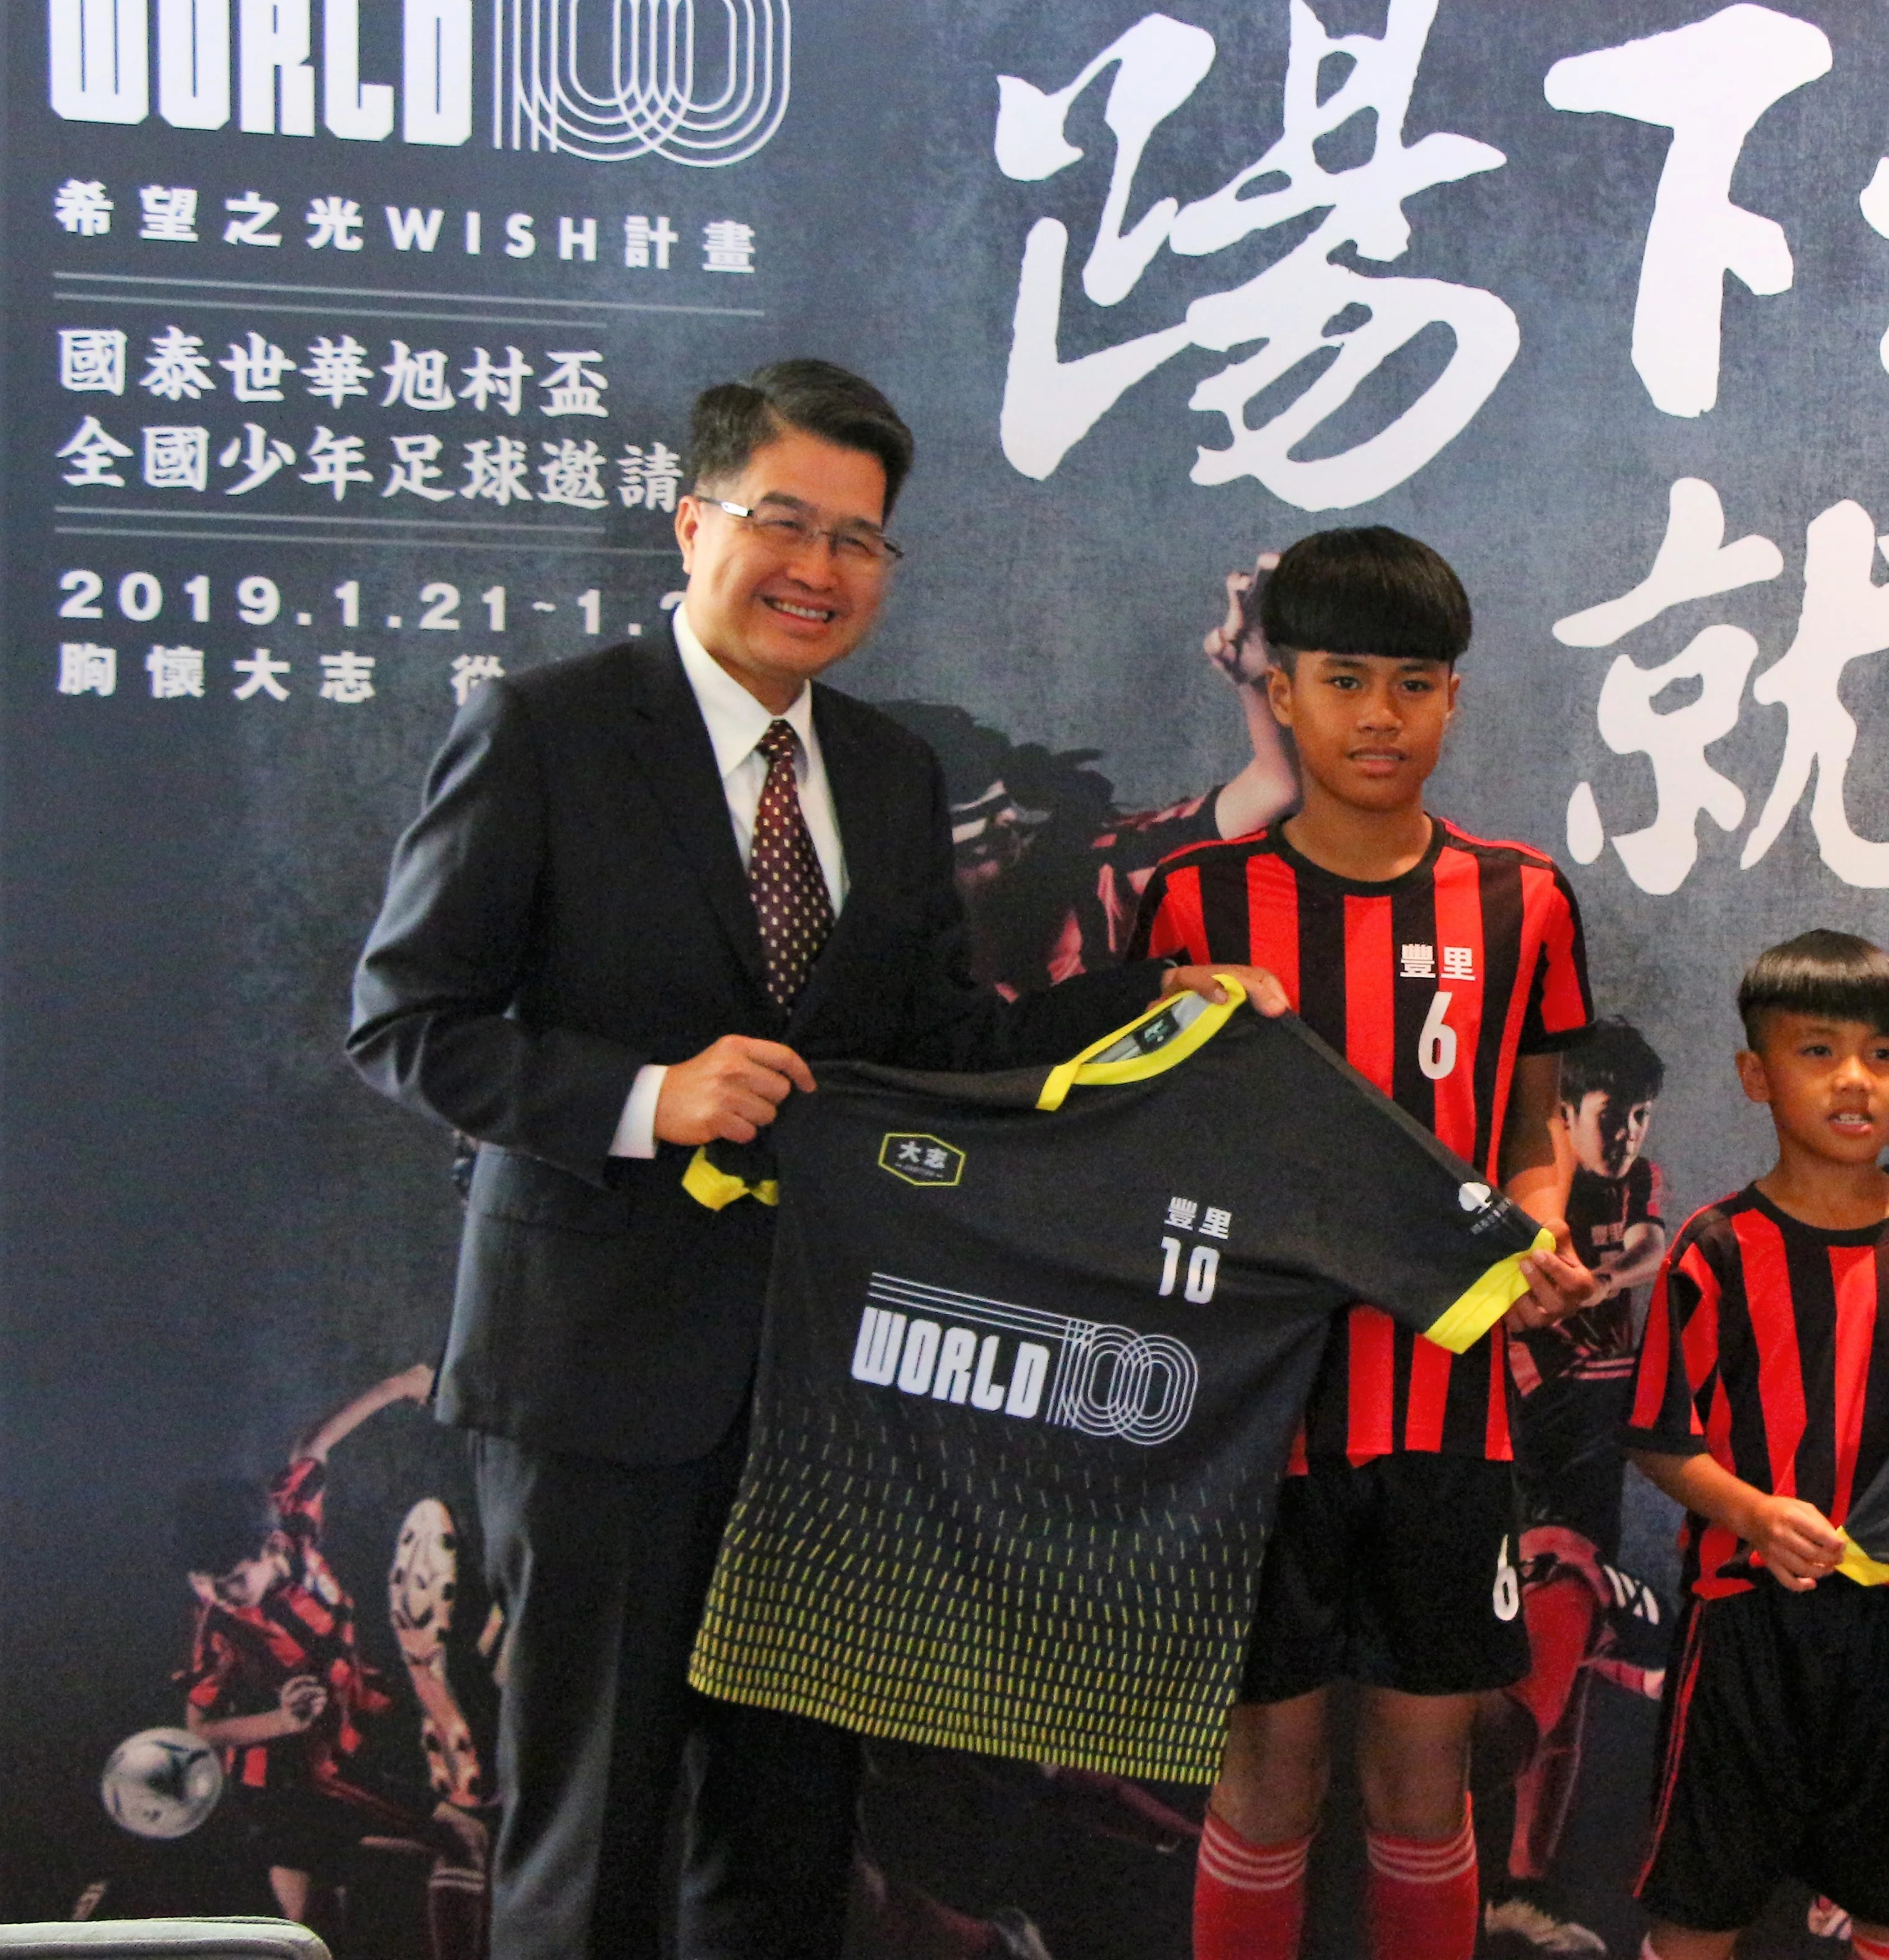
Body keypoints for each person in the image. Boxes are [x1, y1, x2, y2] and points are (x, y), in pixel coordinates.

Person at [348, 358, 1274, 1960]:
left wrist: (1150, 1006)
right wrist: (649, 1096)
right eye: (784, 522)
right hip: (598, 1379)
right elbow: (407, 1022)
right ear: (691, 522)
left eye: (858, 540)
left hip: (826, 1401)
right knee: (590, 1838)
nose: (818, 569)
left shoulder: (888, 774)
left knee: (786, 1849)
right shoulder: (546, 731)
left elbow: (941, 1041)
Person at [1131, 523, 1600, 1960]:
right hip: (1251, 1418)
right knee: (1263, 1780)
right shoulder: (1193, 900)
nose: (1378, 715)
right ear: (1281, 691)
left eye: (1412, 683)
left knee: (1420, 1780)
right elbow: (1140, 1151)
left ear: (1454, 697)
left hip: (1445, 1413)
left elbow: (1532, 1133)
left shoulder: (1523, 899)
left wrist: (1537, 1227)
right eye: (1342, 680)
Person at [1620, 931, 1889, 1960]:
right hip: (1744, 1627)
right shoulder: (1714, 1247)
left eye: (1882, 1055)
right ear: (1756, 1073)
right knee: (1698, 1908)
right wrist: (1755, 1513)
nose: (1853, 1078)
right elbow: (1659, 1438)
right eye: (1817, 1050)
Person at [888, 553, 1304, 1003]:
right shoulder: (871, 937)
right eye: (976, 838)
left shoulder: (1095, 876)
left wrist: (1256, 678)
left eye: (1002, 813)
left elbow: (1275, 787)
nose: (1007, 831)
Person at [176, 1363, 487, 1956]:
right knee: (462, 1839)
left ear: (271, 1547)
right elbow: (200, 1728)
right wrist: (284, 1719)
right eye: (202, 1581)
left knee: (325, 1926)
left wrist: (400, 1386)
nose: (217, 1594)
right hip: (298, 1780)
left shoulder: (292, 1524)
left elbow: (312, 1445)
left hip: (345, 1739)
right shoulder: (221, 1626)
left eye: (230, 1579)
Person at [1483, 1019, 1671, 1957]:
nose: (1629, 1130)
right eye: (1612, 1111)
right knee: (1538, 1635)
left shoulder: (1632, 1185)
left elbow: (1650, 1243)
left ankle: (1524, 1886)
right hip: (1533, 1440)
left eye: (1642, 1113)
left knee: (1575, 1670)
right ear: (1561, 1109)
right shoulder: (1512, 1187)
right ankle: (1465, 1845)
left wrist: (1600, 1280)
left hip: (1599, 1441)